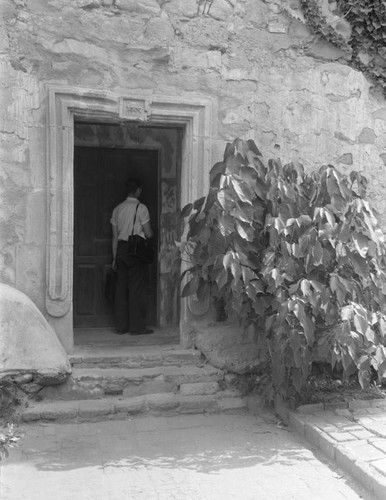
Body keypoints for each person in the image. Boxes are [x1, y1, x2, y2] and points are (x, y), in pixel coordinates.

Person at [111, 178, 154, 335]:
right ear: (138, 191)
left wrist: (114, 258)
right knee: (136, 289)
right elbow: (148, 233)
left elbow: (114, 237)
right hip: (135, 251)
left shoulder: (117, 209)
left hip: (121, 250)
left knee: (121, 289)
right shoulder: (141, 208)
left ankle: (121, 327)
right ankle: (136, 327)